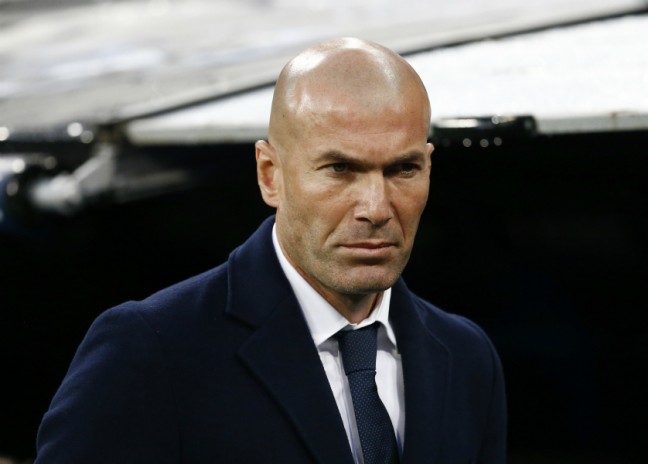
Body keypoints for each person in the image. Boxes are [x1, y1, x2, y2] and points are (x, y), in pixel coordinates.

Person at [35, 37, 506, 463]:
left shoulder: (467, 358)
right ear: (269, 174)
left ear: (428, 167)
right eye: (339, 169)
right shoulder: (150, 351)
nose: (377, 208)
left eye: (403, 169)